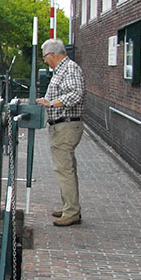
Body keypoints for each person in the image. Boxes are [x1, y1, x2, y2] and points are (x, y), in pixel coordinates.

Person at [35, 38, 85, 227]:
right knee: (66, 168)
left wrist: (52, 103)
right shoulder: (61, 70)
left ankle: (72, 211)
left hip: (66, 126)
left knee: (64, 169)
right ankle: (69, 207)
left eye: (45, 57)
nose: (45, 60)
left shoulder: (69, 69)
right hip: (61, 125)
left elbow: (76, 93)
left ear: (53, 54)